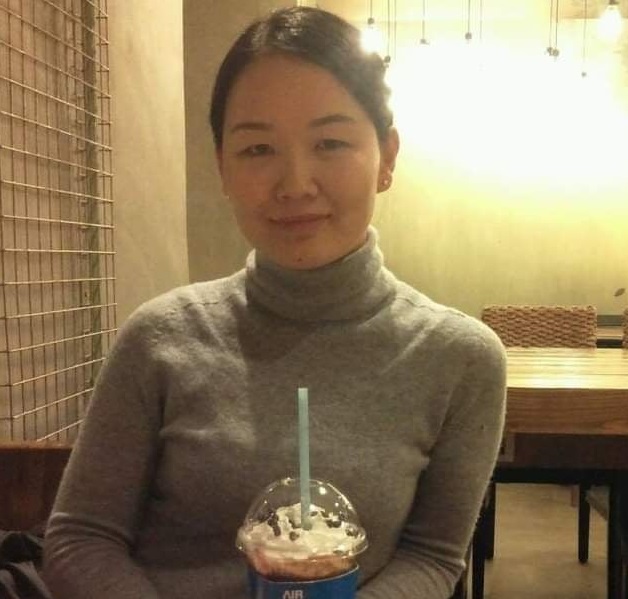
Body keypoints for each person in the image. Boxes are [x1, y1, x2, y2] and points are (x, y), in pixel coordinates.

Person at [43, 6, 506, 599]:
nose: (295, 184)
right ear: (222, 167)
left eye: (330, 142)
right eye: (258, 149)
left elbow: (433, 556)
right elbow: (81, 538)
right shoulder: (158, 338)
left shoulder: (459, 359)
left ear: (387, 157)